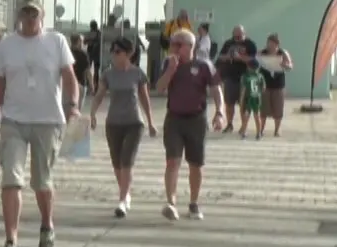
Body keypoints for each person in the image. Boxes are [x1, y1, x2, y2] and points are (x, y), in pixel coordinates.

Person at [0, 0, 81, 247]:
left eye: (34, 13)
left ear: (42, 16)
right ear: (18, 16)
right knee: (11, 178)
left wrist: (72, 106)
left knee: (41, 181)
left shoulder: (56, 41)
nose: (29, 18)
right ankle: (11, 241)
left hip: (47, 120)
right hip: (13, 120)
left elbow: (70, 77)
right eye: (25, 13)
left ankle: (47, 225)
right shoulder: (5, 45)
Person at [154, 28, 224, 220]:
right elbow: (159, 89)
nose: (173, 48)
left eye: (178, 44)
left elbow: (216, 90)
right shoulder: (169, 63)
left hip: (196, 119)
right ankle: (171, 202)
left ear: (190, 47)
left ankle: (193, 203)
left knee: (195, 164)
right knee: (172, 161)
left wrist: (220, 112)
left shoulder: (204, 66)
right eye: (172, 44)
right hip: (174, 119)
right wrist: (170, 70)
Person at [89, 37, 155, 218]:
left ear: (129, 54)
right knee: (117, 163)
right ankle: (126, 194)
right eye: (113, 51)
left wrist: (150, 122)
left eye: (118, 51)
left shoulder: (137, 73)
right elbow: (99, 95)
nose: (114, 54)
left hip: (134, 123)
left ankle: (122, 199)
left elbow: (144, 98)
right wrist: (92, 113)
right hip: (113, 123)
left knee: (127, 161)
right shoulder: (108, 74)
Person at [215, 24, 259, 137]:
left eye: (239, 36)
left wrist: (241, 58)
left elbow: (255, 61)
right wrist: (228, 57)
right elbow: (220, 57)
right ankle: (229, 124)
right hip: (230, 77)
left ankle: (243, 127)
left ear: (244, 34)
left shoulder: (250, 44)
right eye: (235, 36)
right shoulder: (228, 43)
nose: (237, 38)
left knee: (243, 104)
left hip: (245, 78)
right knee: (229, 103)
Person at [255, 34, 294, 138]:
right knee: (263, 109)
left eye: (272, 43)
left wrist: (284, 65)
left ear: (277, 44)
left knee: (278, 109)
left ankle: (277, 130)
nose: (270, 45)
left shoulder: (283, 53)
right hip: (264, 85)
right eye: (268, 43)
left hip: (278, 85)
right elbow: (254, 63)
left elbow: (290, 66)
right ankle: (261, 129)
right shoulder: (262, 53)